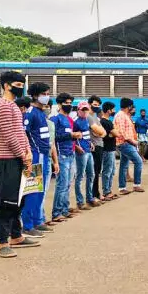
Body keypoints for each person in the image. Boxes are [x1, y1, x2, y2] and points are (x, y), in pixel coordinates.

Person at [0, 71, 39, 258]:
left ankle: (16, 235)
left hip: (20, 157)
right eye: (17, 85)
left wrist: (27, 152)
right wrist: (23, 155)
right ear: (6, 85)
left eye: (22, 85)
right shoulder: (4, 106)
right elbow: (9, 136)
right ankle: (2, 242)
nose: (20, 88)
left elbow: (21, 133)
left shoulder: (13, 106)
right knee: (7, 201)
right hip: (8, 159)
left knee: (19, 198)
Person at [20, 83, 55, 237]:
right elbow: (24, 133)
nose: (47, 96)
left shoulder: (41, 113)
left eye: (48, 93)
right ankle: (27, 225)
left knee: (40, 191)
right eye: (44, 93)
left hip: (44, 154)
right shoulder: (31, 113)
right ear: (35, 96)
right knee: (32, 190)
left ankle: (36, 221)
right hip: (35, 155)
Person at [51, 93, 80, 222]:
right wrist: (71, 136)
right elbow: (54, 138)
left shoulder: (69, 120)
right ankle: (57, 212)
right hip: (61, 154)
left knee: (68, 184)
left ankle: (64, 209)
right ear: (59, 104)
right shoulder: (55, 119)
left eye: (70, 103)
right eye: (66, 103)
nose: (69, 105)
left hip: (70, 153)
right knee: (61, 184)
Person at [115, 97, 145, 195]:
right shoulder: (121, 116)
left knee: (124, 165)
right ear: (129, 106)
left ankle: (122, 187)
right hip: (125, 143)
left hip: (126, 143)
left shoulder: (125, 115)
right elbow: (122, 132)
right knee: (139, 162)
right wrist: (133, 142)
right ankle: (136, 185)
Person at [73, 101, 98, 211]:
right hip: (81, 152)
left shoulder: (86, 120)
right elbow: (73, 136)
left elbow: (86, 135)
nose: (85, 112)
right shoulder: (75, 122)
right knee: (80, 176)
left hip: (88, 150)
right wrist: (77, 147)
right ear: (78, 110)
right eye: (83, 110)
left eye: (86, 109)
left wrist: (90, 143)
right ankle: (80, 201)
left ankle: (90, 198)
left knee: (91, 174)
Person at [87, 95, 106, 204]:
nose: (97, 107)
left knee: (97, 171)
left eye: (98, 105)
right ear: (89, 104)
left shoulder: (96, 117)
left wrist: (100, 132)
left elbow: (102, 132)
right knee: (94, 172)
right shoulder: (89, 117)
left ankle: (97, 193)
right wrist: (100, 132)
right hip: (94, 146)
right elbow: (97, 130)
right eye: (95, 105)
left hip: (99, 144)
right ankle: (93, 195)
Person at [99, 102, 118, 200]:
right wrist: (113, 133)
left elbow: (115, 133)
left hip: (111, 149)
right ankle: (106, 191)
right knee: (107, 171)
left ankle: (108, 190)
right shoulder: (105, 122)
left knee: (111, 170)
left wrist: (113, 133)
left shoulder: (107, 122)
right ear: (108, 110)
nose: (114, 111)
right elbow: (117, 133)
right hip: (107, 149)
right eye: (113, 109)